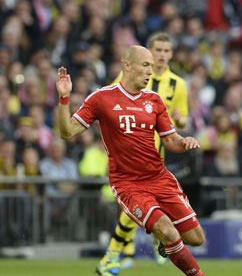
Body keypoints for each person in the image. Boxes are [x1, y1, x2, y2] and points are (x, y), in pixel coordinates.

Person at [56, 45, 206, 276]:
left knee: (196, 239)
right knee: (168, 230)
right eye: (145, 65)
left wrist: (184, 142)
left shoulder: (154, 100)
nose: (150, 71)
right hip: (129, 184)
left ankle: (166, 243)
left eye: (152, 67)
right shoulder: (101, 98)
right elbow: (67, 132)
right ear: (127, 65)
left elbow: (171, 141)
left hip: (159, 177)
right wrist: (64, 98)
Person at [101, 33, 190, 272]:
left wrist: (181, 122)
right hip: (127, 154)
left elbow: (180, 120)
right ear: (148, 52)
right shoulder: (135, 75)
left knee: (142, 207)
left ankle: (121, 252)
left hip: (156, 155)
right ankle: (118, 253)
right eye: (157, 50)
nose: (161, 55)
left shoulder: (178, 84)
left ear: (171, 54)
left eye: (166, 51)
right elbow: (111, 100)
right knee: (134, 208)